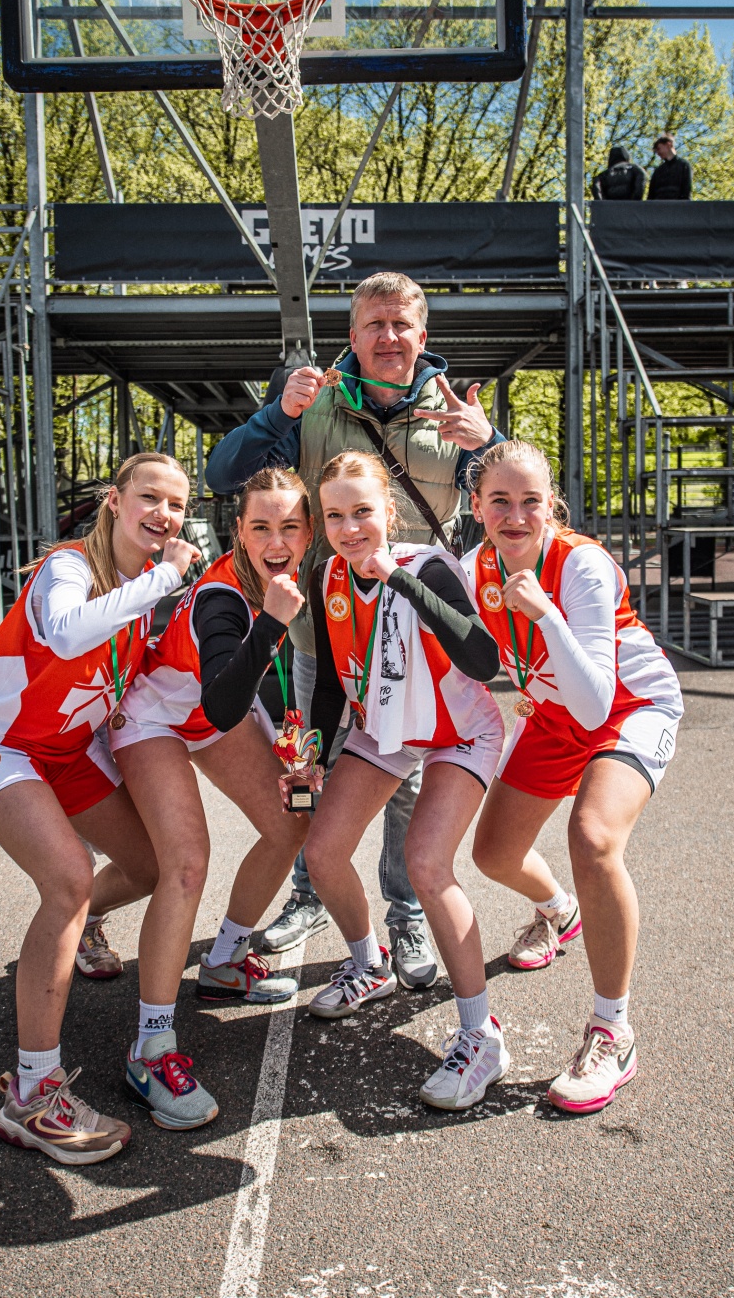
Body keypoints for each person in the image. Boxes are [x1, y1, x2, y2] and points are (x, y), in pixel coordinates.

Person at [205, 271, 503, 989]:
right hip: (324, 629)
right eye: (374, 324)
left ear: (422, 335)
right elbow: (223, 474)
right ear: (352, 335)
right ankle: (310, 895)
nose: (388, 337)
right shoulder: (313, 399)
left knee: (402, 781)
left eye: (401, 324)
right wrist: (276, 414)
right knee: (313, 761)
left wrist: (490, 442)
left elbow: (516, 500)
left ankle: (404, 914)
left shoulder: (452, 412)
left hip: (415, 639)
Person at [0, 452, 200, 1164]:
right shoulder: (69, 567)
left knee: (149, 866)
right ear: (115, 501)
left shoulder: (146, 592)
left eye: (177, 504)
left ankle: (81, 928)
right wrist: (163, 578)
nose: (163, 514)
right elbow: (64, 632)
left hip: (66, 752)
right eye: (149, 497)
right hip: (2, 746)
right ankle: (33, 1095)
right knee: (66, 880)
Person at [463, 439, 684, 1114]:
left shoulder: (579, 563)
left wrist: (546, 614)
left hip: (626, 707)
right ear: (475, 505)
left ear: (551, 505)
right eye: (499, 500)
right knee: (492, 854)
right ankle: (560, 913)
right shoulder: (473, 567)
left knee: (591, 838)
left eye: (530, 501)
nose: (515, 516)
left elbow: (593, 702)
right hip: (555, 715)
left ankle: (612, 1031)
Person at [106, 467, 315, 1131]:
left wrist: (297, 759)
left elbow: (257, 690)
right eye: (261, 527)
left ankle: (223, 962)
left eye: (290, 526)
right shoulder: (221, 598)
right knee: (184, 865)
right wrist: (273, 622)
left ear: (309, 532)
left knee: (294, 822)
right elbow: (225, 702)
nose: (276, 541)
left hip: (209, 710)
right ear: (238, 532)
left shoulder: (305, 576)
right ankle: (150, 1048)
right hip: (155, 716)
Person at [298, 451, 508, 1111]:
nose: (349, 528)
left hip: (457, 730)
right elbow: (329, 680)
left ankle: (480, 1036)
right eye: (334, 515)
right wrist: (311, 755)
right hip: (385, 728)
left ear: (388, 512)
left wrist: (395, 578)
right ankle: (369, 964)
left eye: (362, 511)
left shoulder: (427, 567)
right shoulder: (326, 574)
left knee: (425, 864)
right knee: (322, 851)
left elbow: (483, 659)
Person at [647, 133, 692, 200]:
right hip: (659, 204)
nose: (658, 153)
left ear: (668, 144)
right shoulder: (658, 171)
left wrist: (684, 204)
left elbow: (686, 189)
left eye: (659, 149)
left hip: (677, 204)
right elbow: (651, 195)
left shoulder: (683, 165)